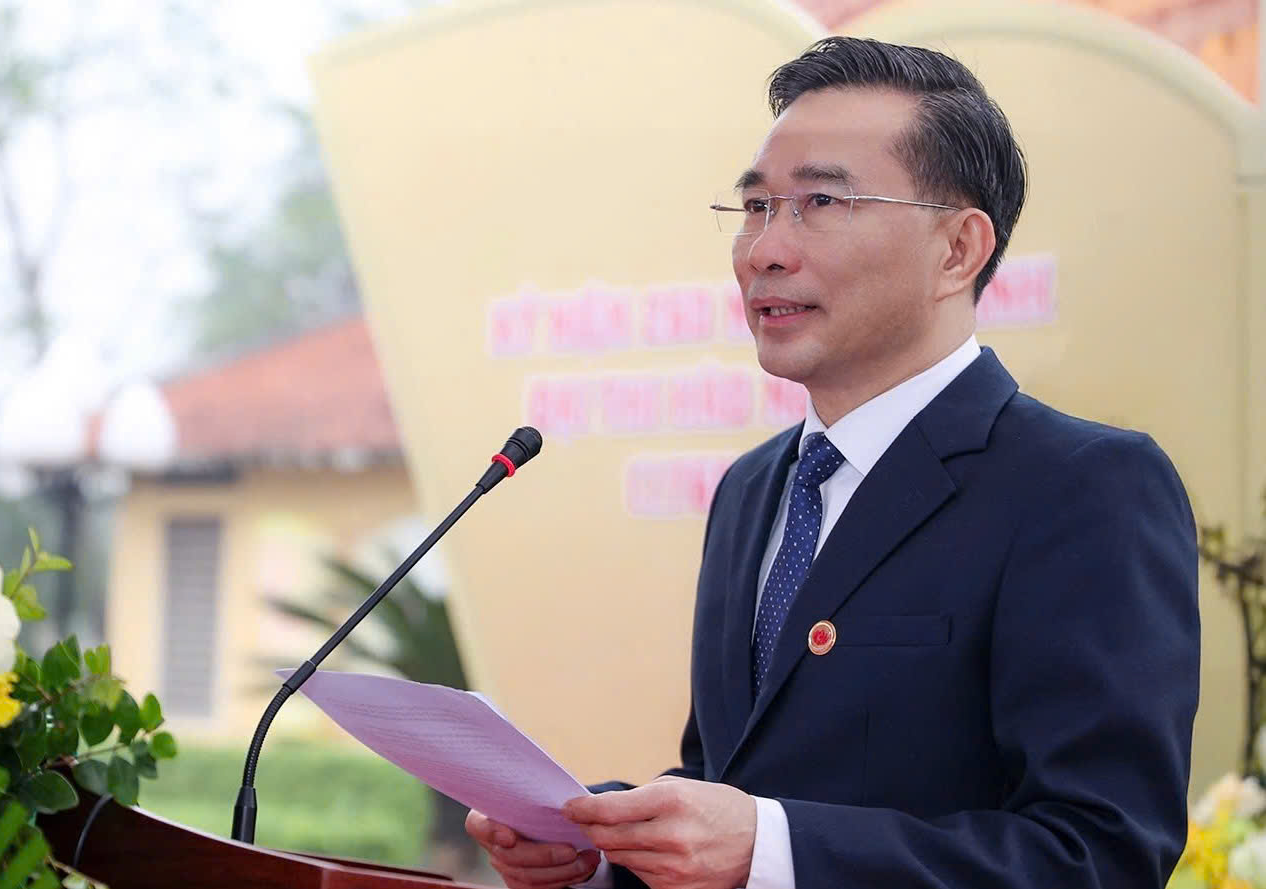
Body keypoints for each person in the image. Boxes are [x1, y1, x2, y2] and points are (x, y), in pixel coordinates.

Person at [465, 35, 1199, 889]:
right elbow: (733, 783)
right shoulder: (752, 489)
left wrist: (772, 850)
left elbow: (1101, 855)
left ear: (958, 250)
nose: (765, 250)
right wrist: (600, 850)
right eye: (756, 206)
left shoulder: (1083, 487)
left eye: (820, 201)